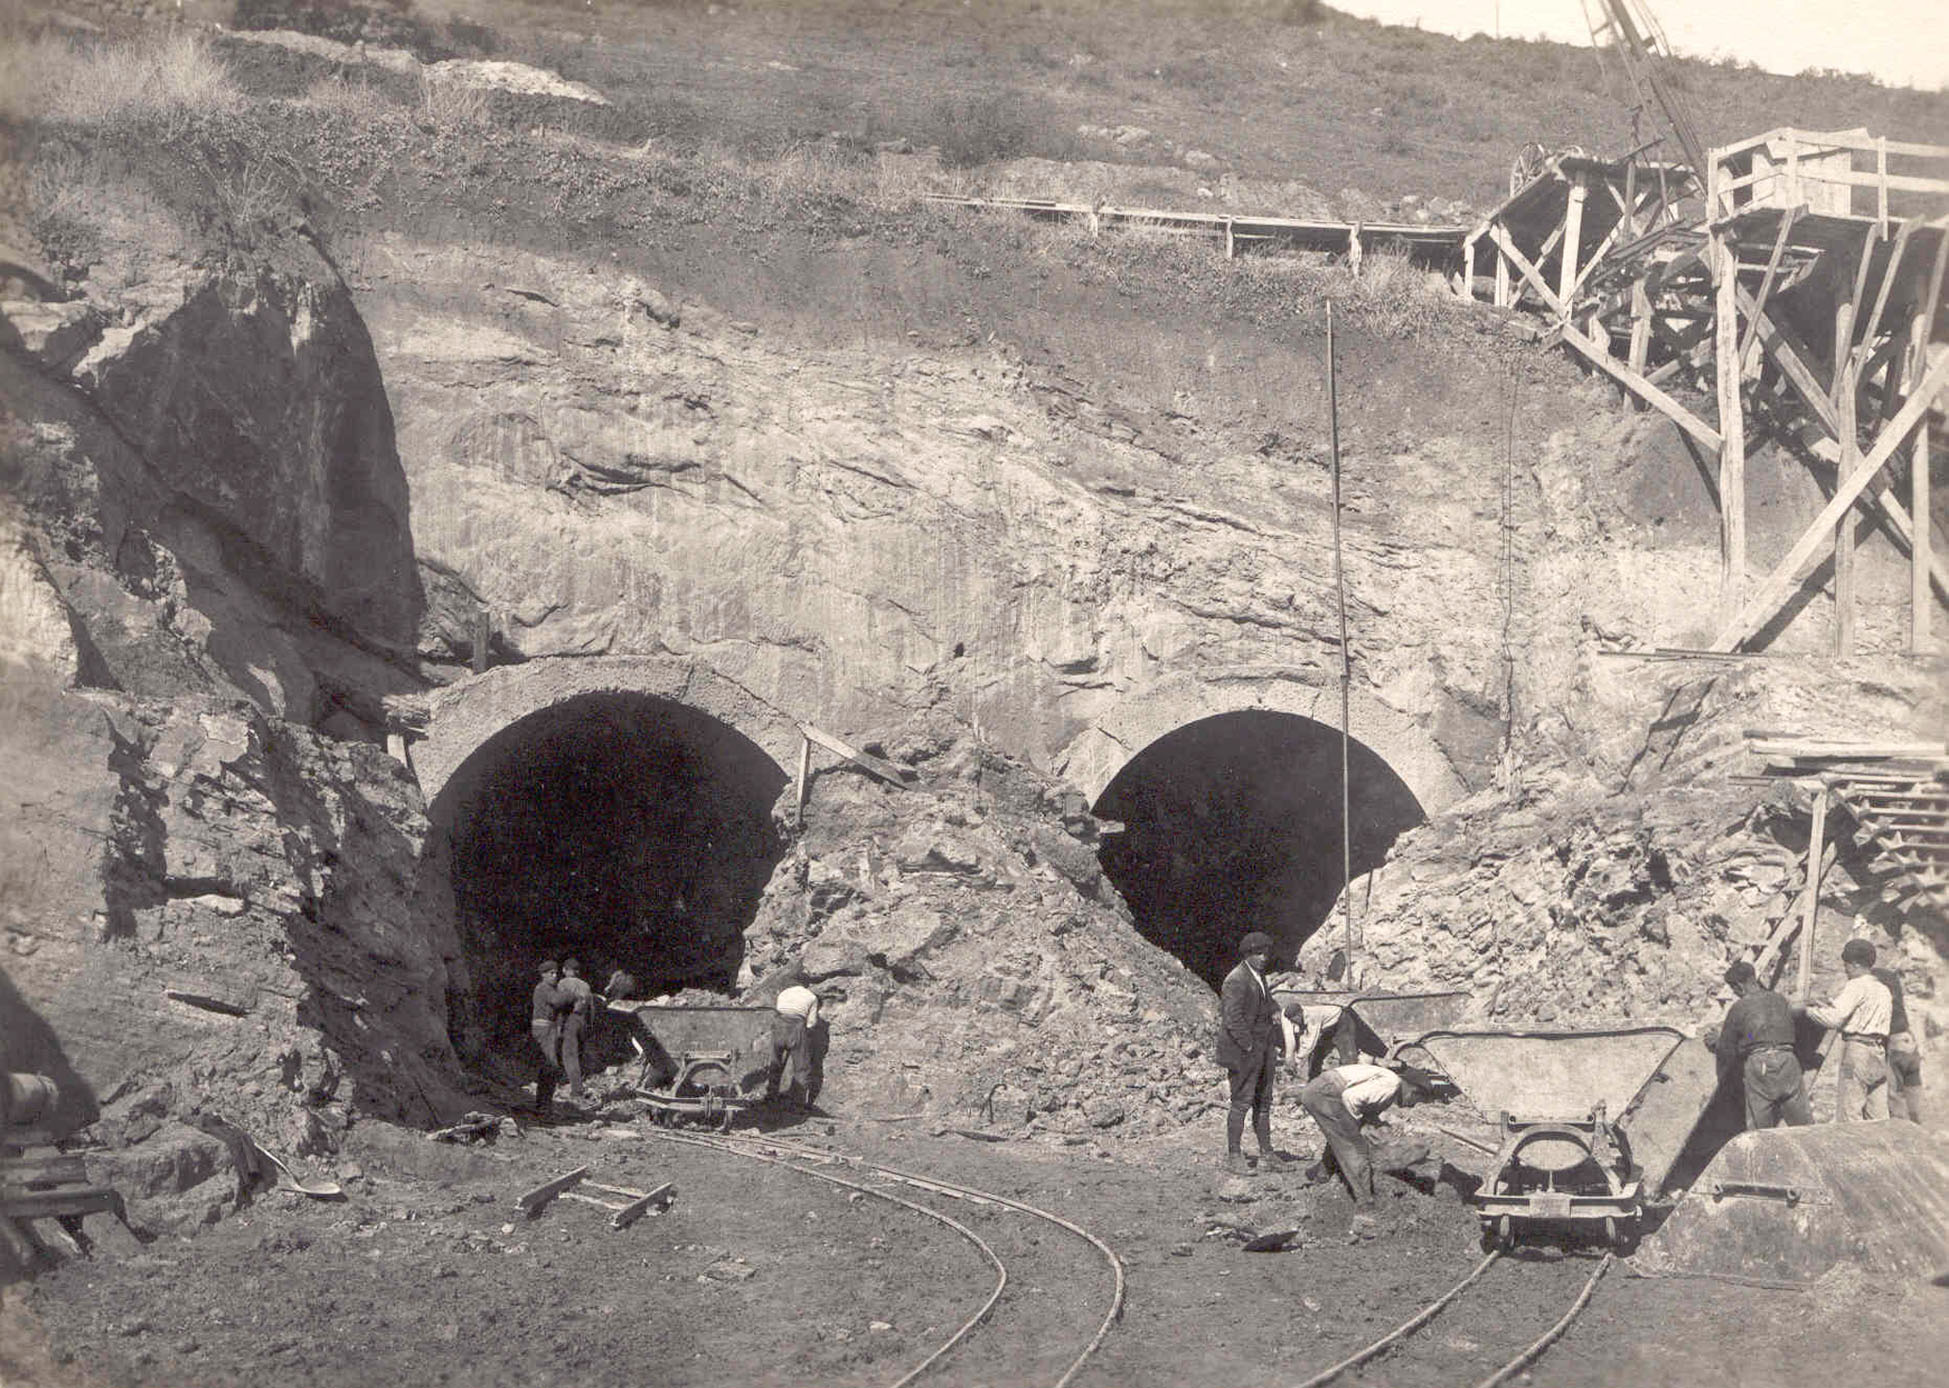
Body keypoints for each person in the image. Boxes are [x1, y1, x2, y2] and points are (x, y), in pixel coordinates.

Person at [1298, 1061, 1430, 1221]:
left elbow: (1362, 1106)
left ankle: (1321, 1176)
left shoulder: (1388, 1084)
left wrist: (1378, 1124)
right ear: (1412, 1088)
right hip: (1326, 1093)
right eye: (1416, 1099)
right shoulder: (1391, 1084)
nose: (1412, 1104)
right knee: (1356, 1148)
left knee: (1340, 1137)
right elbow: (1351, 1098)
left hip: (1322, 1090)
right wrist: (1358, 1129)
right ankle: (1366, 1206)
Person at [1801, 938, 1895, 1121]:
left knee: (1849, 1111)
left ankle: (1850, 1150)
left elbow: (1834, 1018)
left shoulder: (1856, 985)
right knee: (1879, 1117)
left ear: (1854, 964)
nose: (1845, 969)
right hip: (1879, 1052)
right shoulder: (1883, 989)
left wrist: (1806, 1010)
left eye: (1846, 965)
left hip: (1856, 1052)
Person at [1216, 931, 1286, 1176]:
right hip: (1245, 1051)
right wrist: (1248, 1046)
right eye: (1258, 953)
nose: (1264, 957)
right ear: (1247, 955)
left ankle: (1267, 1154)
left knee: (1263, 1103)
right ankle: (1234, 1156)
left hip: (1264, 1048)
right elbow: (1232, 1018)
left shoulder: (1258, 976)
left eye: (1266, 952)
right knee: (1242, 1102)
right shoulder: (1236, 979)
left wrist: (1275, 1009)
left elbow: (1264, 1003)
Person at [1712, 959, 1812, 1129]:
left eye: (1733, 989)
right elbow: (1762, 1032)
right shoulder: (1779, 1000)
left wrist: (1717, 1042)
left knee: (1760, 1129)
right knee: (1803, 1125)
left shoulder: (1740, 1007)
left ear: (1739, 986)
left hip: (1760, 1065)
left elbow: (1728, 1048)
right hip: (1789, 1061)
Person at [1873, 961, 1924, 1123]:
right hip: (1908, 1040)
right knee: (1913, 1089)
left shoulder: (1884, 999)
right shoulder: (1896, 994)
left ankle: (1902, 1131)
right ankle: (1919, 1128)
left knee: (1894, 1094)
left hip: (1894, 1042)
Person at [766, 981, 823, 1109]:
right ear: (806, 985)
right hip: (797, 1026)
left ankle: (771, 1095)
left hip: (779, 1025)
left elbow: (777, 1011)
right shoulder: (811, 997)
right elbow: (811, 1023)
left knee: (775, 1062)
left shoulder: (784, 993)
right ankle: (798, 1102)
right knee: (802, 1067)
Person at [555, 957, 596, 1106]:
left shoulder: (563, 983)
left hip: (570, 1019)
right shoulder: (586, 985)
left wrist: (559, 1026)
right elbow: (592, 1009)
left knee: (569, 1055)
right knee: (577, 1054)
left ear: (565, 970)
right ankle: (574, 1083)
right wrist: (589, 1027)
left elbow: (561, 1005)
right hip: (582, 1020)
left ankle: (577, 1091)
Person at [530, 959, 564, 1116]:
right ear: (543, 975)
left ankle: (543, 1104)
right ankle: (544, 1106)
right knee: (551, 1066)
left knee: (548, 1066)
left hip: (546, 1027)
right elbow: (558, 1001)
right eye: (551, 973)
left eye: (556, 973)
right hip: (544, 1028)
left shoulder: (547, 988)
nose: (555, 975)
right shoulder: (545, 988)